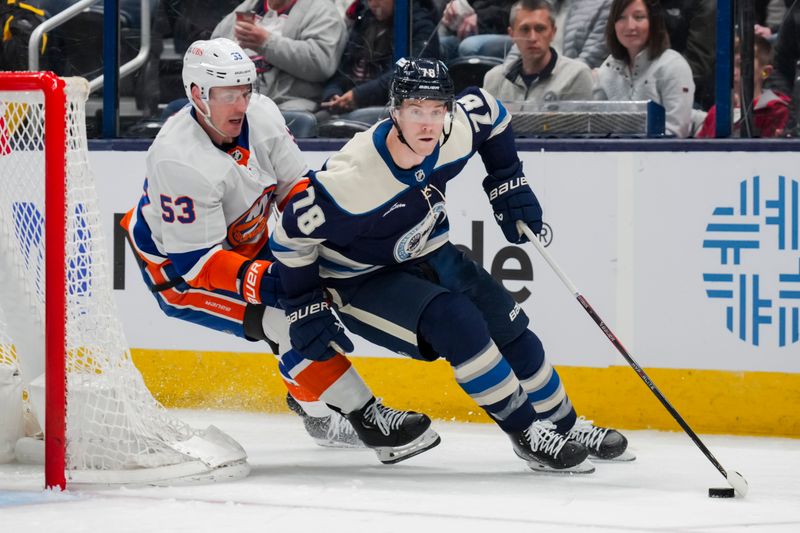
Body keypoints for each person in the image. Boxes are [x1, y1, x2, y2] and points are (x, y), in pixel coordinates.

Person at [270, 57, 634, 474]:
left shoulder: (456, 130)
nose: (427, 124)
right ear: (394, 111)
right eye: (415, 111)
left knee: (509, 324)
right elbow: (288, 236)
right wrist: (303, 302)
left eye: (437, 110)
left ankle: (566, 426)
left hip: (427, 248)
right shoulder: (353, 179)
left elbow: (494, 115)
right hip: (359, 278)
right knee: (459, 323)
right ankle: (527, 433)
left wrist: (507, 180)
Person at [120, 38, 441, 464]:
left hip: (243, 247)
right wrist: (277, 283)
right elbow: (196, 264)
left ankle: (317, 413)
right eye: (226, 94)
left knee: (311, 306)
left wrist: (347, 240)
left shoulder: (263, 114)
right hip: (179, 275)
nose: (240, 103)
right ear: (197, 94)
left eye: (245, 90)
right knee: (287, 319)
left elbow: (296, 190)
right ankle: (370, 419)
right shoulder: (177, 159)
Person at [211, 0, 347, 112]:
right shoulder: (246, 8)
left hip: (289, 105)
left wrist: (266, 43)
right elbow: (210, 55)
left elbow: (321, 63)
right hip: (236, 103)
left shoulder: (322, 10)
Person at [593, 0, 695, 138]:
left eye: (639, 17)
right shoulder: (606, 69)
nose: (630, 26)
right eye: (621, 18)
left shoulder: (673, 66)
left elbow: (676, 131)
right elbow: (596, 129)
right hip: (613, 157)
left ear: (653, 22)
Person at [320, 0, 440, 117]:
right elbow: (344, 69)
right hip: (352, 104)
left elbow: (409, 74)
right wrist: (333, 93)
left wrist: (359, 96)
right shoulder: (363, 19)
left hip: (393, 108)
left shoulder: (422, 27)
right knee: (317, 121)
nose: (373, 3)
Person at [483, 0, 593, 103]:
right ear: (512, 34)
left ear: (553, 32)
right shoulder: (494, 79)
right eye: (525, 29)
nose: (532, 38)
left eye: (540, 29)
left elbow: (578, 124)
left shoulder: (576, 75)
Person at [697, 36, 790, 138]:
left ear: (765, 72)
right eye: (729, 64)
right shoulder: (716, 111)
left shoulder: (776, 110)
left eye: (740, 65)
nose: (733, 71)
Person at [439, 0, 515, 60]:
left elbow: (514, 10)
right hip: (463, 29)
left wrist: (480, 18)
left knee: (468, 46)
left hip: (504, 30)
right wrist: (449, 8)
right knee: (439, 44)